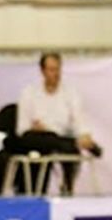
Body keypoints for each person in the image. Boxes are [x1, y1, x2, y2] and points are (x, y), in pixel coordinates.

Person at [14, 51, 102, 193]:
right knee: (48, 139)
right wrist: (36, 128)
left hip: (61, 139)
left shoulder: (70, 93)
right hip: (36, 138)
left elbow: (78, 119)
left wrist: (85, 134)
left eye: (58, 69)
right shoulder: (29, 93)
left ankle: (67, 187)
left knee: (68, 146)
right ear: (42, 71)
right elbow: (21, 129)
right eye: (51, 70)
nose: (56, 74)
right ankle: (74, 144)